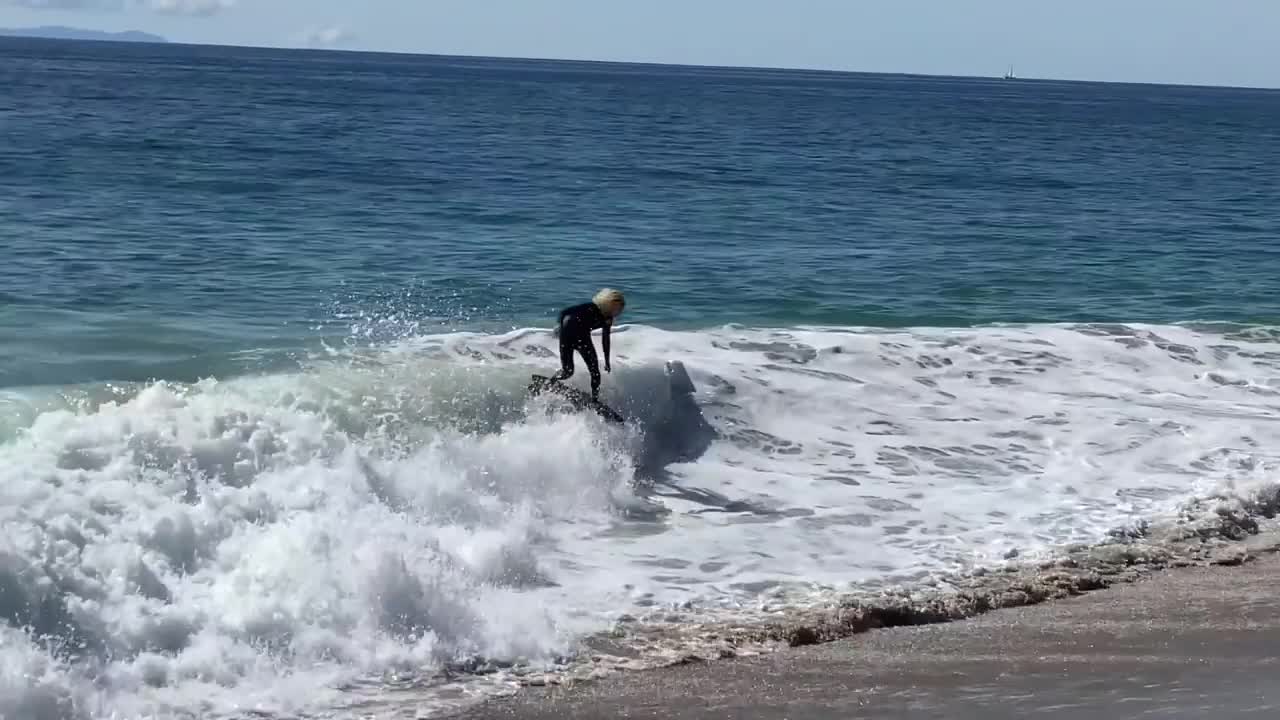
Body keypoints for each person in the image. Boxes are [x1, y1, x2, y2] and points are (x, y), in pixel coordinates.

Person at [548, 288, 625, 401]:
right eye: (616, 307)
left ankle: (595, 399)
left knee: (595, 373)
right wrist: (560, 328)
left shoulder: (608, 318)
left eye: (619, 309)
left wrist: (607, 361)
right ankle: (550, 383)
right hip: (568, 335)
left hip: (582, 337)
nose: (617, 311)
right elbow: (564, 313)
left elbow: (606, 339)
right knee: (567, 371)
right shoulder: (591, 307)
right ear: (608, 302)